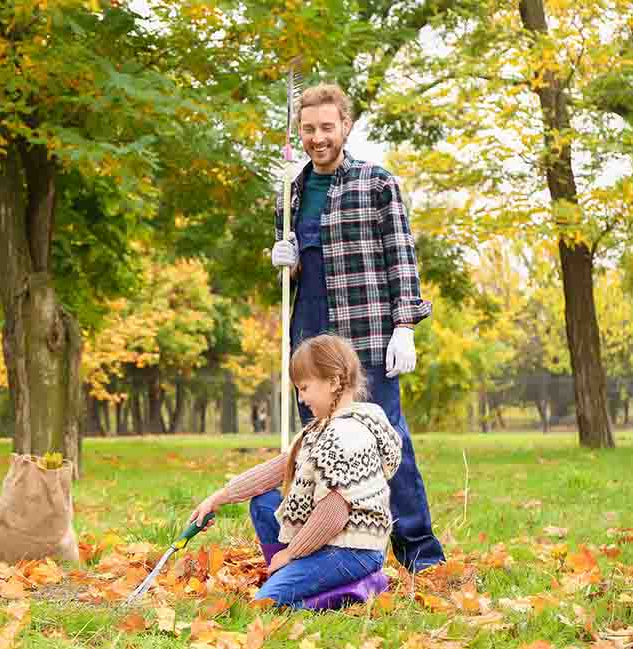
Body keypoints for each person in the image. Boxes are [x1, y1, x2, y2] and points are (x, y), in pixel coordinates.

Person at [269, 83, 444, 572]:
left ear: (345, 126)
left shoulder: (377, 183)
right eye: (308, 128)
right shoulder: (291, 190)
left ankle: (420, 556)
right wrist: (286, 261)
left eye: (327, 127)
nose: (317, 137)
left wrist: (405, 325)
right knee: (318, 449)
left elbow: (401, 258)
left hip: (366, 334)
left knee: (388, 443)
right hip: (311, 331)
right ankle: (327, 550)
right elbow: (301, 267)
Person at [189, 335, 401, 607]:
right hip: (325, 542)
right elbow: (277, 469)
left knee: (267, 601)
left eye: (304, 388)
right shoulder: (321, 429)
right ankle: (296, 576)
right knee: (264, 502)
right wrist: (218, 498)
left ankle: (357, 588)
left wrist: (290, 554)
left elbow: (333, 515)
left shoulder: (346, 436)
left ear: (334, 382)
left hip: (352, 550)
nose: (301, 399)